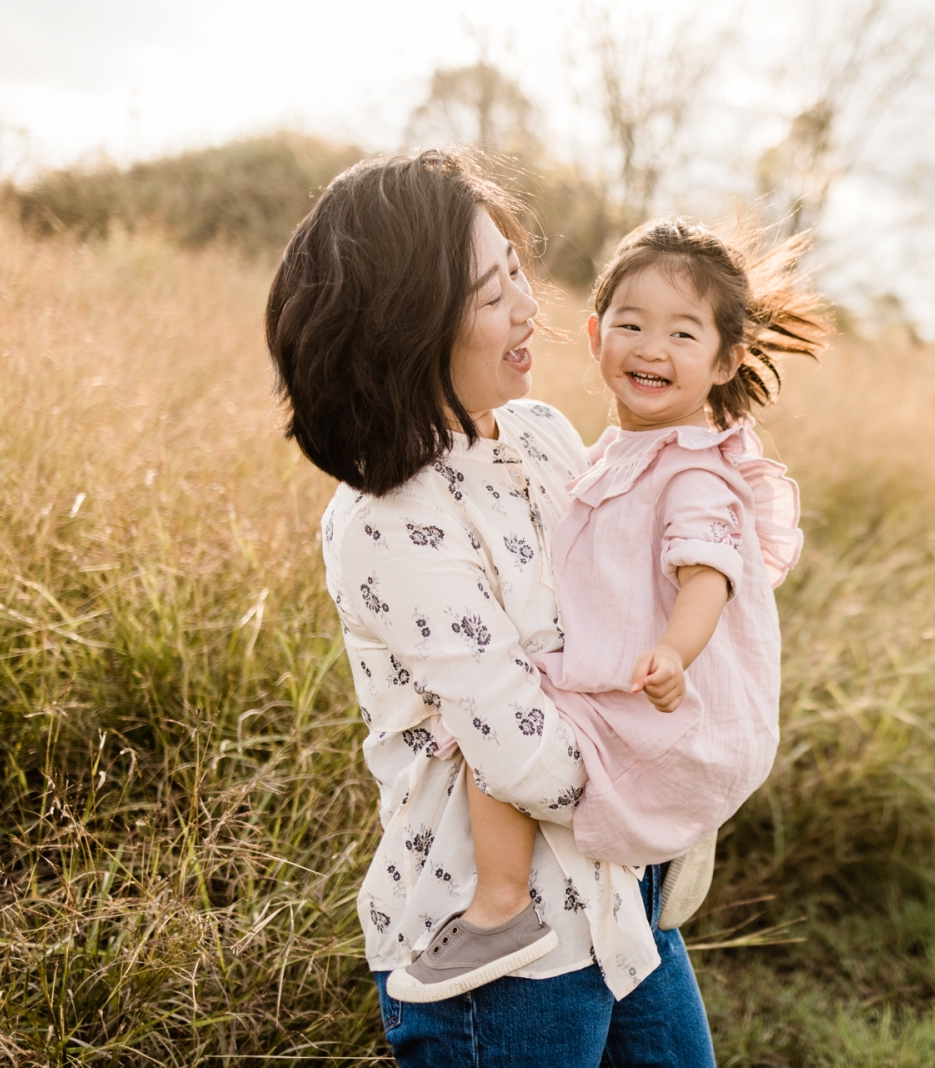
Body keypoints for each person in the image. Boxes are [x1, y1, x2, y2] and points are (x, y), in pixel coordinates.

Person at [265, 149, 716, 1067]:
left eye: (517, 268)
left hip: (620, 904)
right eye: (489, 290)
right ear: (409, 325)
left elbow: (630, 595)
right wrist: (677, 775)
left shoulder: (544, 434)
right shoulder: (389, 519)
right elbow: (522, 755)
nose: (527, 308)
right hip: (503, 968)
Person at [385, 218, 827, 1003]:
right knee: (508, 710)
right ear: (594, 336)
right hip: (642, 681)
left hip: (664, 689)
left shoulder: (693, 469)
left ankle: (500, 906)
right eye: (630, 324)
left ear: (725, 361)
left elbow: (708, 577)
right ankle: (657, 842)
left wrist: (674, 654)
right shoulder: (606, 450)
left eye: (682, 334)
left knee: (493, 733)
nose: (650, 348)